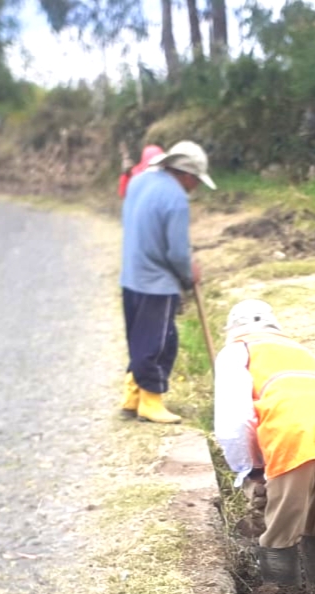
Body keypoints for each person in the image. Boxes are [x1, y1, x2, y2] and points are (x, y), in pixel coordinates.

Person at [213, 300, 315, 593]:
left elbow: (236, 421)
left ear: (233, 329)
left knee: (280, 529)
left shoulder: (236, 351)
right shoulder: (298, 349)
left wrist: (251, 468)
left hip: (292, 432)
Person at [119, 139, 215, 424]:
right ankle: (150, 402)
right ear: (185, 174)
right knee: (158, 343)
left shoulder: (139, 182)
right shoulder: (175, 199)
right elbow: (177, 252)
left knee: (138, 339)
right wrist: (189, 274)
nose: (195, 187)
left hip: (131, 276)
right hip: (156, 283)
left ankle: (132, 397)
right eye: (196, 180)